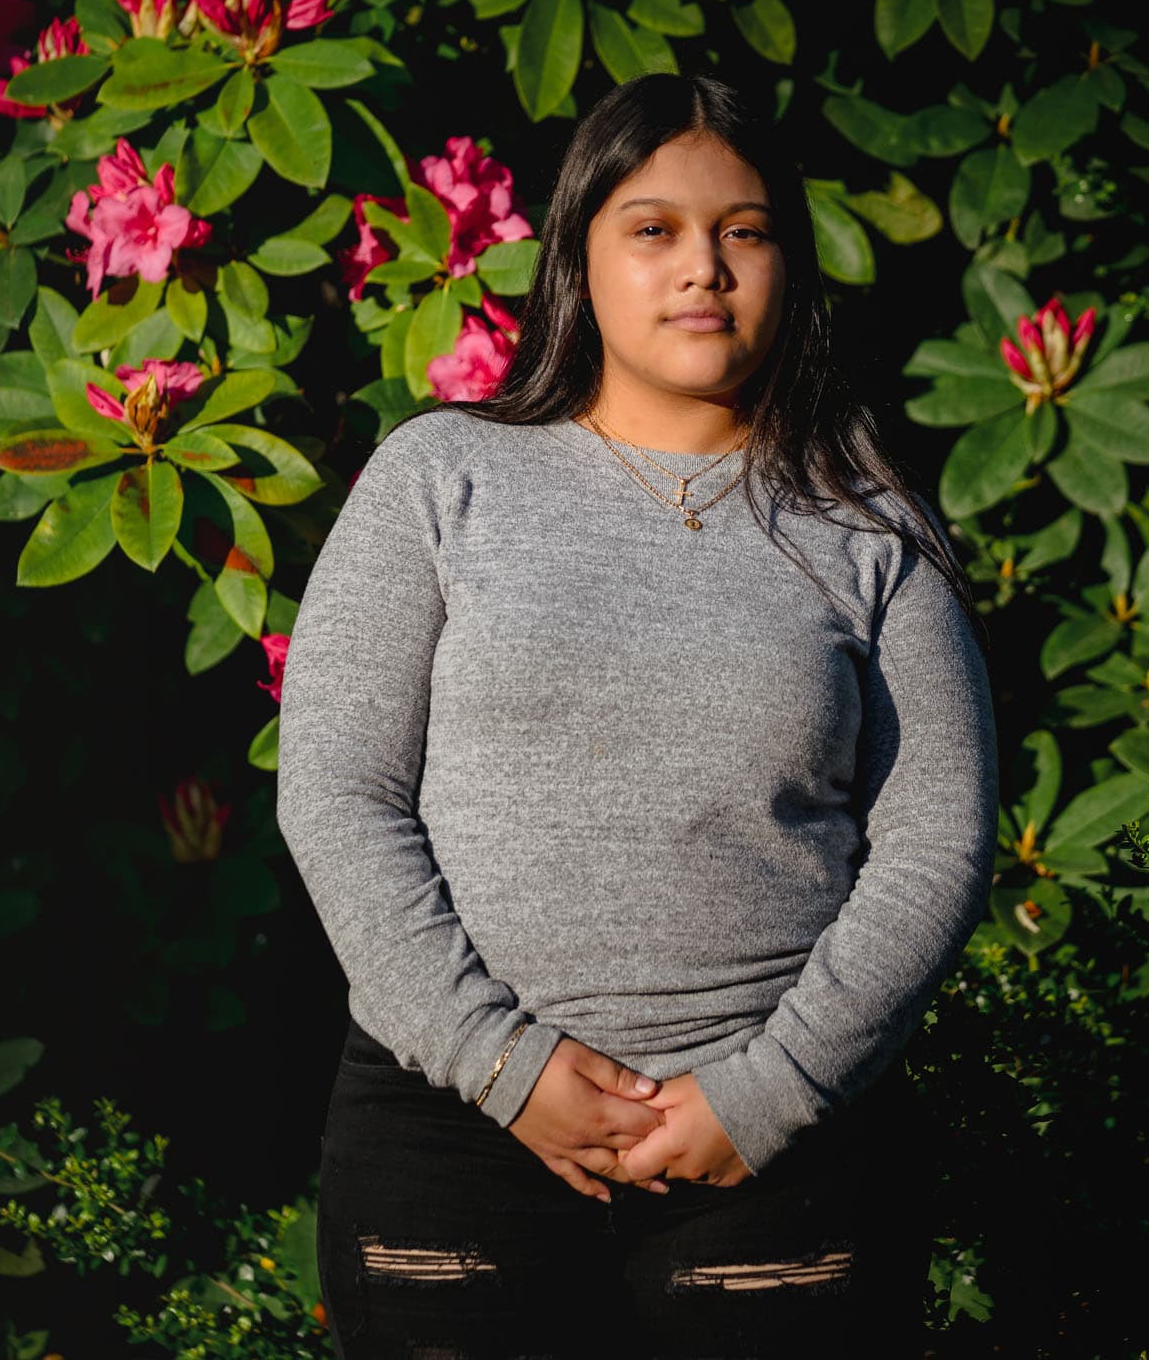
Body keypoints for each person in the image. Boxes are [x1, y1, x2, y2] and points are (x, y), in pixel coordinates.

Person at [274, 71, 999, 1359]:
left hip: (777, 1157)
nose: (704, 268)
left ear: (790, 264)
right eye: (652, 228)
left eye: (746, 230)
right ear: (580, 261)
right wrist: (502, 1064)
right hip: (451, 1139)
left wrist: (766, 1095)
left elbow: (938, 838)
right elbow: (337, 792)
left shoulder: (868, 524)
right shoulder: (442, 478)